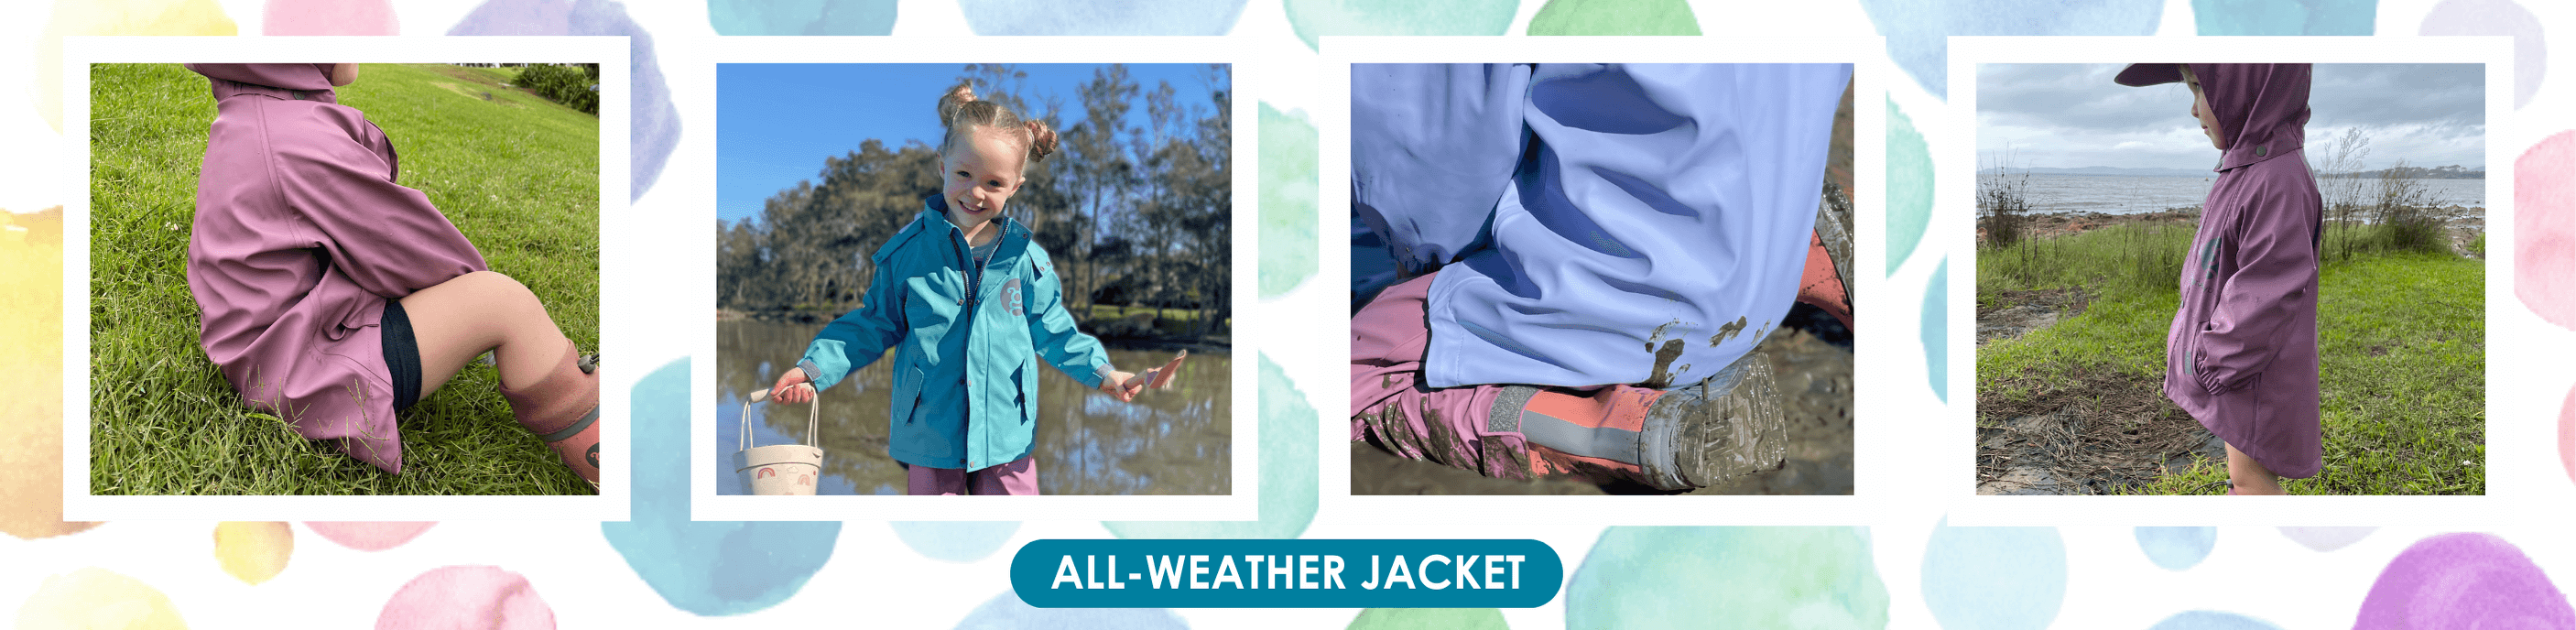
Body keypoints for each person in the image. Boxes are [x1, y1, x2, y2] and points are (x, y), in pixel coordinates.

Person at [1347, 63, 1852, 491]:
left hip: (1635, 306)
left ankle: (1618, 431)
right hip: (1774, 203)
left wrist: (1419, 264)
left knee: (1349, 370)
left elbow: (1434, 184)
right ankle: (1816, 248)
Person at [185, 63, 600, 485]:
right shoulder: (296, 139)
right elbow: (408, 247)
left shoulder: (251, 113)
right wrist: (469, 296)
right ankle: (615, 457)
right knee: (505, 305)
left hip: (258, 340)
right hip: (297, 369)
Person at [765, 83, 1142, 495]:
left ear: (1015, 186)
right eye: (964, 174)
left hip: (1007, 435)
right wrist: (812, 369)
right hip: (929, 434)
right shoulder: (906, 255)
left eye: (994, 183)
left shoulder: (1026, 259)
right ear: (942, 165)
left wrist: (1102, 372)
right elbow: (872, 325)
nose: (976, 192)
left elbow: (1053, 329)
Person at [2115, 63, 2323, 495]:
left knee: (2251, 483)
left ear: (2243, 90)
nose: (2194, 110)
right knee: (2242, 475)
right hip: (2238, 367)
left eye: (2199, 89)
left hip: (2247, 369)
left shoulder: (2276, 180)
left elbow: (2271, 287)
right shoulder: (2244, 172)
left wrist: (2213, 359)